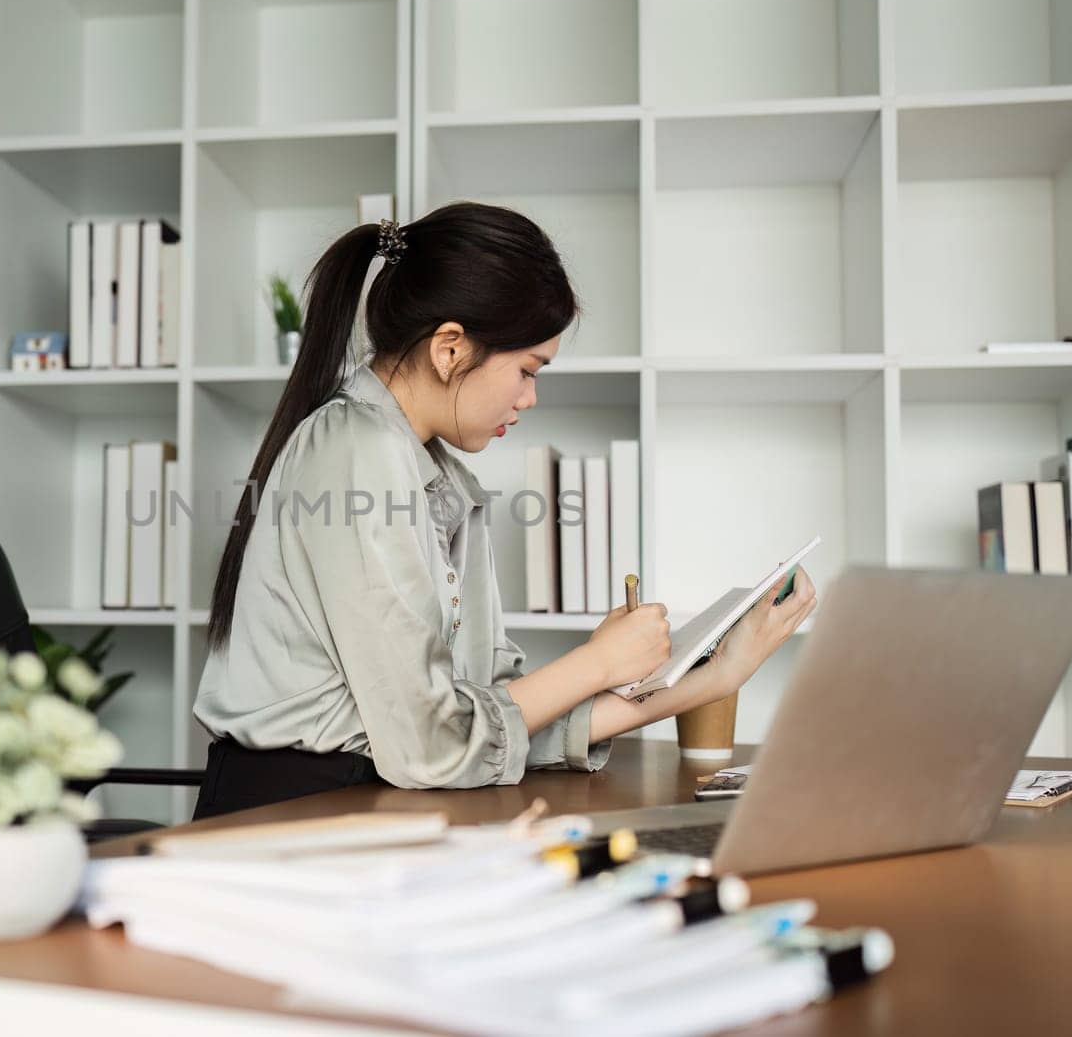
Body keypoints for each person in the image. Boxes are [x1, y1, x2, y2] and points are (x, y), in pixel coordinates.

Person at [191, 202, 816, 818]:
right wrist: (596, 664)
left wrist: (708, 680)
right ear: (450, 349)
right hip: (292, 819)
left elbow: (488, 721)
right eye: (526, 369)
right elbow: (433, 745)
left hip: (368, 805)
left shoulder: (439, 475)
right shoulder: (361, 450)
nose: (530, 396)